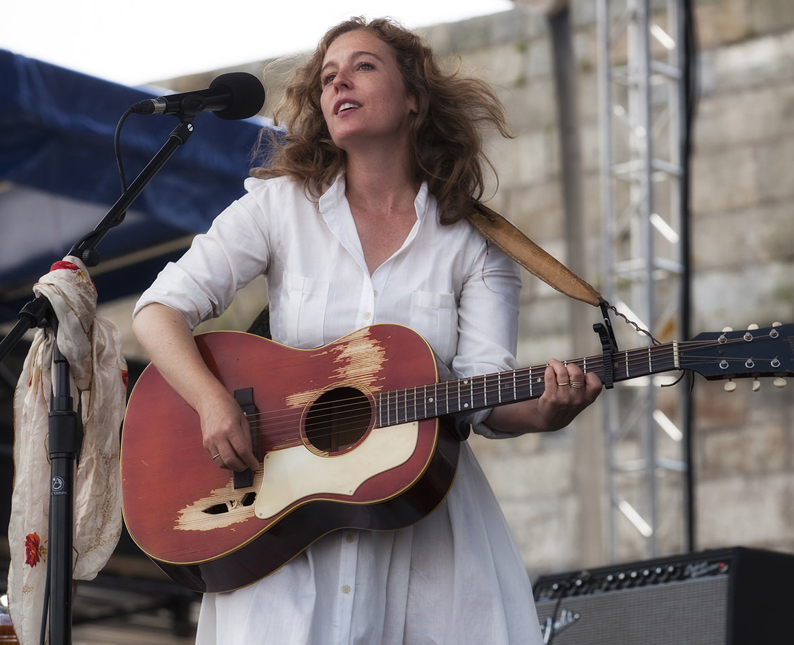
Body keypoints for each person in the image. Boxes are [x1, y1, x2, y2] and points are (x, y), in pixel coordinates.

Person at [132, 16, 602, 645]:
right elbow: (158, 312)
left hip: (424, 532)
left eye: (363, 66)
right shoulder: (279, 208)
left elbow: (485, 397)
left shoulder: (476, 243)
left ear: (414, 97)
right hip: (282, 526)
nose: (338, 82)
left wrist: (545, 412)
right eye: (328, 76)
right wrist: (212, 400)